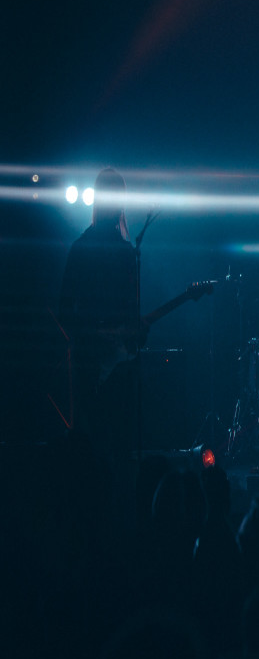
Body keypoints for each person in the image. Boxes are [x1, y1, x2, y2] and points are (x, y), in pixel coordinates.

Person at [58, 167, 138, 458]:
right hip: (93, 363)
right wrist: (95, 336)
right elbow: (65, 310)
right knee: (99, 442)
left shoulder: (121, 252)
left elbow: (131, 313)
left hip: (106, 362)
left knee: (102, 443)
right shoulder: (102, 250)